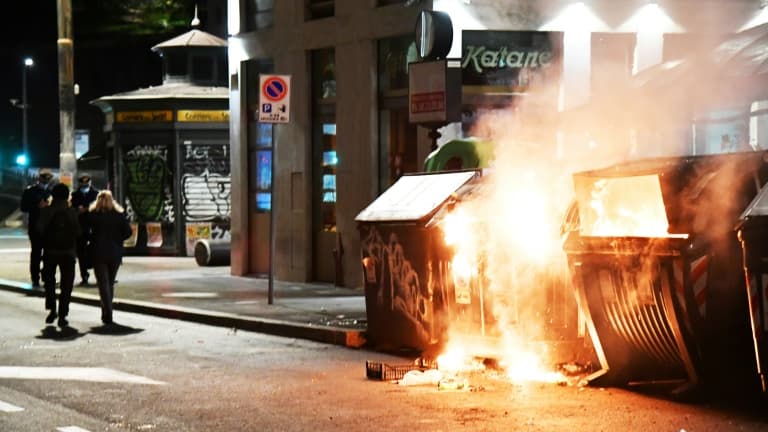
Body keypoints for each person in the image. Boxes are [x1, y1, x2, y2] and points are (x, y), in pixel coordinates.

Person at [36, 183, 80, 328]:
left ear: (53, 195)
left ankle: (52, 309)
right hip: (68, 253)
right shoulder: (72, 212)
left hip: (50, 252)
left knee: (49, 283)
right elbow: (78, 232)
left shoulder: (46, 211)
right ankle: (63, 315)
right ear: (67, 196)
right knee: (66, 285)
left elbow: (39, 231)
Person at [86, 190, 132, 325]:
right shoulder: (118, 215)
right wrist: (118, 240)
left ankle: (107, 311)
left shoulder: (93, 215)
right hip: (115, 252)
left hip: (98, 252)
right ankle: (107, 310)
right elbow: (128, 232)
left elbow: (85, 232)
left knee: (103, 283)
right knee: (110, 282)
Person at [20, 169, 54, 287]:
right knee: (36, 253)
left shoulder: (51, 192)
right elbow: (23, 208)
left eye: (48, 180)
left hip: (49, 228)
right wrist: (36, 206)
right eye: (44, 179)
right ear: (39, 179)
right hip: (35, 226)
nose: (46, 182)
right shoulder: (30, 191)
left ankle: (47, 276)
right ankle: (35, 278)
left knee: (49, 254)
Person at [70, 174, 99, 286]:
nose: (85, 185)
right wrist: (78, 210)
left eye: (87, 183)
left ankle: (98, 274)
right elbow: (72, 208)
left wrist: (87, 208)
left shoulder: (96, 194)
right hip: (80, 227)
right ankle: (84, 275)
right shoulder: (75, 195)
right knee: (81, 253)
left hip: (93, 226)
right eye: (83, 183)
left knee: (96, 252)